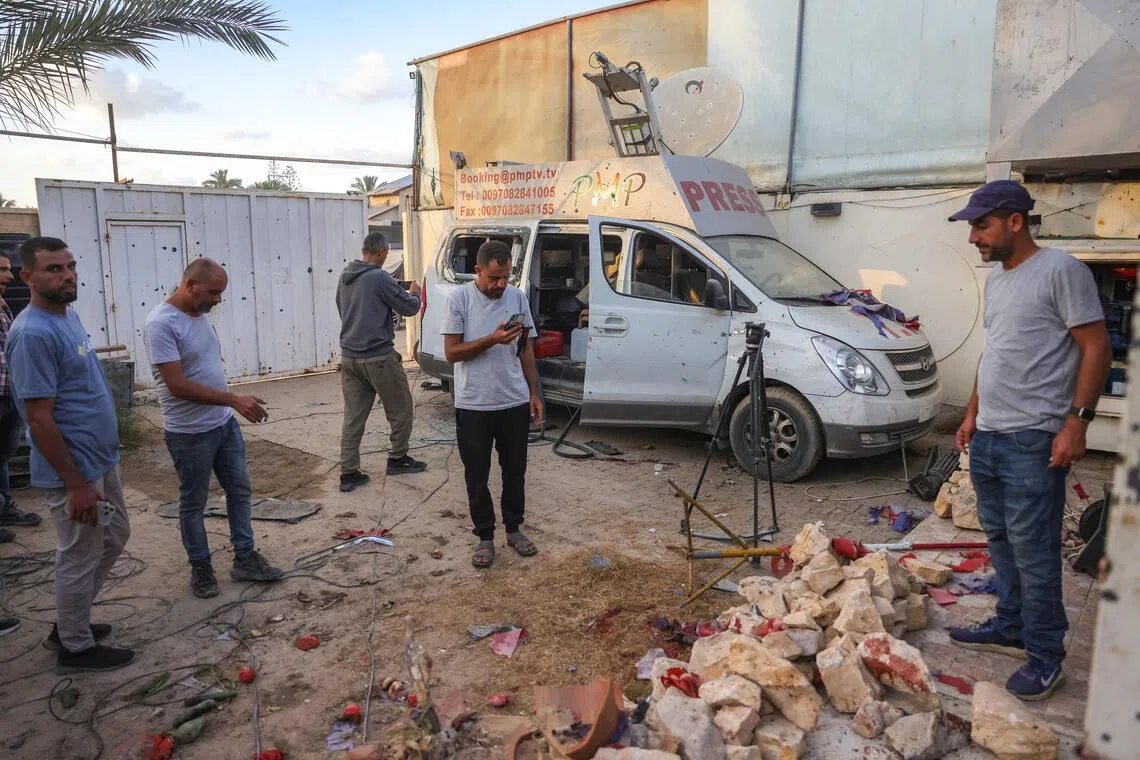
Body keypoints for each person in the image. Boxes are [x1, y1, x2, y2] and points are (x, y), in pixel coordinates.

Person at [950, 181, 1111, 700]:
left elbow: (1096, 347)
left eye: (982, 225)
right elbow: (992, 353)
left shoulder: (1062, 271)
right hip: (992, 437)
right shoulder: (998, 281)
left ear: (1015, 221)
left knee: (1035, 551)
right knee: (1000, 540)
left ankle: (1045, 655)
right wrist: (972, 413)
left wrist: (1077, 423)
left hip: (1033, 441)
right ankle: (1011, 624)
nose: (974, 237)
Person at [6, 236, 133, 672]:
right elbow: (39, 419)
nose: (67, 276)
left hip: (100, 459)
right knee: (79, 552)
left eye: (70, 266)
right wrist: (76, 484)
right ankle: (75, 646)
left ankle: (70, 621)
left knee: (115, 537)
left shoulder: (68, 316)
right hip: (74, 470)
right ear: (28, 277)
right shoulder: (32, 333)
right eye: (53, 269)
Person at [144, 258, 283, 599]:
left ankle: (245, 558)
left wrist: (228, 407)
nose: (218, 300)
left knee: (240, 491)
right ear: (189, 284)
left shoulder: (200, 316)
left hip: (222, 425)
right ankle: (201, 567)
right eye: (213, 292)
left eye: (221, 293)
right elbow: (177, 385)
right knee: (193, 502)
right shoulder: (161, 324)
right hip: (189, 433)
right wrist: (233, 400)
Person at [442, 240, 543, 568]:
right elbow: (451, 352)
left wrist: (534, 393)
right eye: (494, 278)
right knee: (477, 475)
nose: (501, 284)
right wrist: (490, 340)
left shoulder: (517, 297)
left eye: (506, 277)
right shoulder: (459, 300)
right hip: (474, 405)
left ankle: (514, 530)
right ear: (478, 271)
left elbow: (526, 348)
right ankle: (485, 536)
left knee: (515, 471)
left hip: (513, 401)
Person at [336, 232, 426, 493]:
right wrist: (415, 293)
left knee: (353, 417)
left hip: (349, 357)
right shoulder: (378, 277)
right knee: (401, 410)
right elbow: (409, 308)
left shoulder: (346, 276)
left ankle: (349, 473)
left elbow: (347, 308)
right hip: (378, 356)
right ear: (382, 252)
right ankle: (398, 458)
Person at [0, 254, 40, 536]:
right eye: (2, 270)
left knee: (2, 454)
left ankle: (4, 508)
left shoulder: (3, 306)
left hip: (7, 392)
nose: (9, 275)